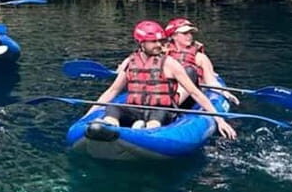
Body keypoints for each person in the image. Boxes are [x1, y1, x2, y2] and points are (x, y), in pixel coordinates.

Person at [88, 20, 237, 139]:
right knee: (113, 107)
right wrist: (86, 116)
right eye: (153, 41)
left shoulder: (170, 64)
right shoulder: (131, 62)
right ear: (142, 43)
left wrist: (220, 120)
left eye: (160, 41)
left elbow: (195, 93)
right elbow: (112, 91)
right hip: (136, 108)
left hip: (161, 110)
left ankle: (146, 132)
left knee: (158, 113)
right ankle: (109, 128)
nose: (158, 45)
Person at [164, 17, 240, 106]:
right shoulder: (163, 52)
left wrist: (225, 93)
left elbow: (211, 81)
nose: (189, 36)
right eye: (185, 33)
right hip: (166, 92)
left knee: (189, 71)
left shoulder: (199, 57)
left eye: (190, 33)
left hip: (191, 97)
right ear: (173, 36)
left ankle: (172, 105)